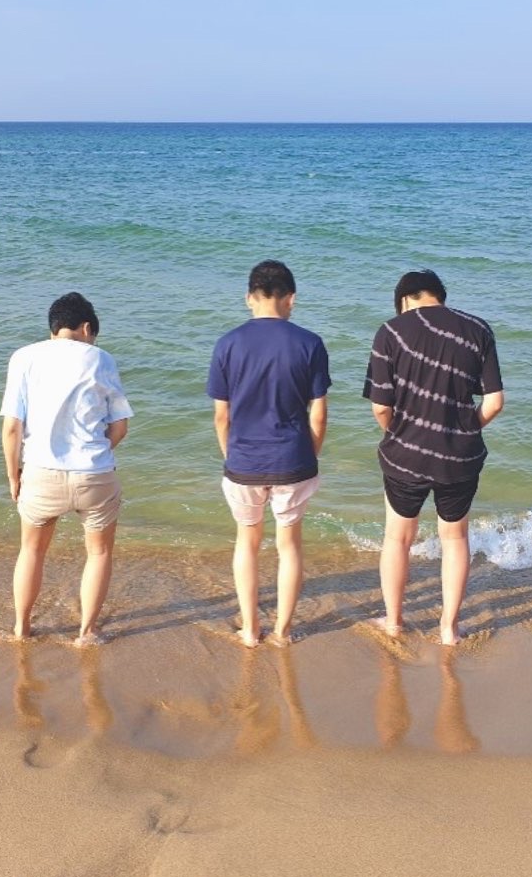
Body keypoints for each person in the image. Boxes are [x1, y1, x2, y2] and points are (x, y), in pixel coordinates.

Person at [363, 270, 504, 645]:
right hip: (459, 457)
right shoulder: (478, 329)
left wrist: (397, 432)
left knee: (397, 538)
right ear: (439, 295)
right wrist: (466, 428)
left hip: (405, 455)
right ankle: (449, 629)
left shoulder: (390, 332)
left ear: (404, 300)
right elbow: (494, 402)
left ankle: (394, 622)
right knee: (455, 539)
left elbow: (381, 406)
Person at [207, 260, 331, 647]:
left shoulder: (227, 344)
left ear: (249, 298)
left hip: (243, 462)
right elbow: (319, 415)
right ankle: (283, 632)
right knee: (289, 545)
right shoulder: (310, 343)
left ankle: (250, 630)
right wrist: (307, 455)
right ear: (290, 298)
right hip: (293, 461)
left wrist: (232, 456)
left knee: (247, 542)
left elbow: (222, 417)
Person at [0, 291, 133, 645]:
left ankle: (22, 629)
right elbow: (120, 426)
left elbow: (12, 428)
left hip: (41, 472)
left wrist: (14, 476)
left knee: (32, 550)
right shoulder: (101, 359)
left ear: (54, 328)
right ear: (87, 328)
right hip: (94, 475)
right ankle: (86, 633)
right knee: (99, 553)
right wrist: (96, 454)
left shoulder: (24, 357)